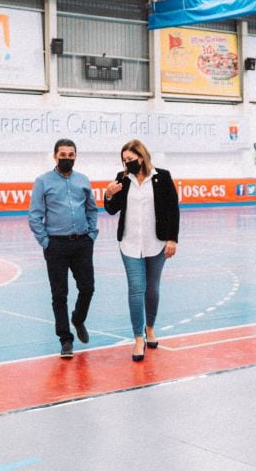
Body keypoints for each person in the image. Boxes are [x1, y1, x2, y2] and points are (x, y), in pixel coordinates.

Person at [103, 139, 179, 362]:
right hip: (129, 243)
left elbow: (173, 210)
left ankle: (150, 328)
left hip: (156, 242)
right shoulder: (122, 178)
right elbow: (111, 209)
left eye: (131, 159)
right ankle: (138, 338)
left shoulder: (162, 177)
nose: (128, 163)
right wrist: (108, 194)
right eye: (124, 160)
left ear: (142, 156)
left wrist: (172, 239)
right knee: (136, 288)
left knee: (152, 288)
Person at [28, 138, 98, 359]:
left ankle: (78, 319)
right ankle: (65, 340)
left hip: (82, 243)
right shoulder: (43, 181)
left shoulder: (83, 180)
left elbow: (92, 209)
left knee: (87, 288)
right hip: (56, 245)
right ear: (55, 156)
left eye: (71, 155)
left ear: (76, 156)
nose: (67, 158)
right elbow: (35, 215)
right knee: (59, 294)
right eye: (63, 155)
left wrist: (91, 234)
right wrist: (46, 242)